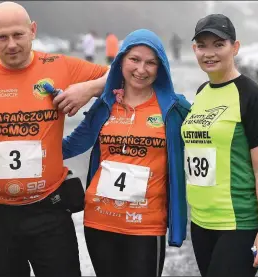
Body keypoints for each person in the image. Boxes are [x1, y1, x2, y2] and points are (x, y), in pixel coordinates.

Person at [0, 2, 109, 276]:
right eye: (2, 37)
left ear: (32, 30)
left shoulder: (59, 65)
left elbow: (121, 77)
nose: (11, 45)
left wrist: (88, 88)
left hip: (49, 208)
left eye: (18, 35)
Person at [62, 29, 191, 277]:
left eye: (151, 62)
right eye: (134, 59)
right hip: (99, 221)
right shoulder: (106, 105)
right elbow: (71, 145)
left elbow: (208, 134)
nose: (141, 69)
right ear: (121, 60)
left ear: (161, 67)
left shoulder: (174, 107)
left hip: (145, 225)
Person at [183, 14, 258, 277]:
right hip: (201, 220)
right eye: (202, 45)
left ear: (235, 47)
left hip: (238, 222)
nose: (209, 53)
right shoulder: (202, 92)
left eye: (218, 44)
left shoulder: (253, 97)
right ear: (194, 49)